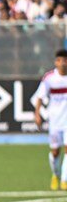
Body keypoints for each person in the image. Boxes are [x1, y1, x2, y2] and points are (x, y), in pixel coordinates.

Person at [32, 49, 67, 190]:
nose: (63, 63)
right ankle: (55, 175)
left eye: (65, 60)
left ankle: (64, 180)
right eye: (60, 60)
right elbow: (40, 96)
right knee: (55, 152)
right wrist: (37, 114)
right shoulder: (50, 78)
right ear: (56, 62)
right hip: (55, 121)